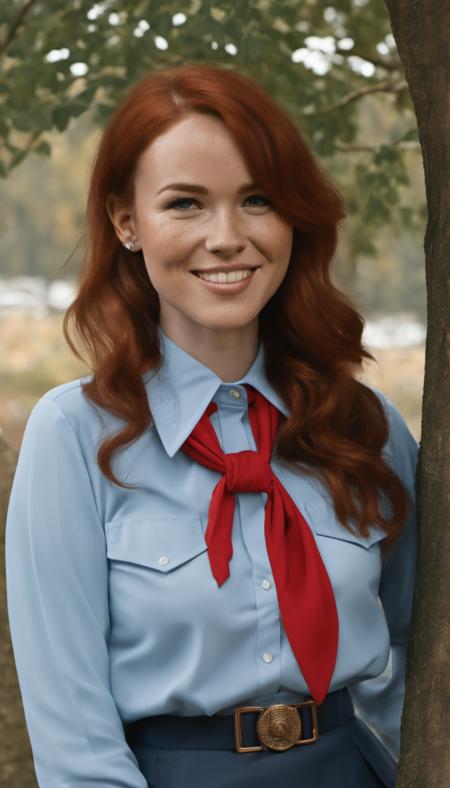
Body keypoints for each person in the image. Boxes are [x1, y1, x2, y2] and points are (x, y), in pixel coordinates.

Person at [5, 63, 419, 788]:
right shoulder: (73, 435)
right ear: (126, 221)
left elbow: (420, 658)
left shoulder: (368, 428)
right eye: (186, 204)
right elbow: (73, 738)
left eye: (257, 199)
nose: (227, 237)